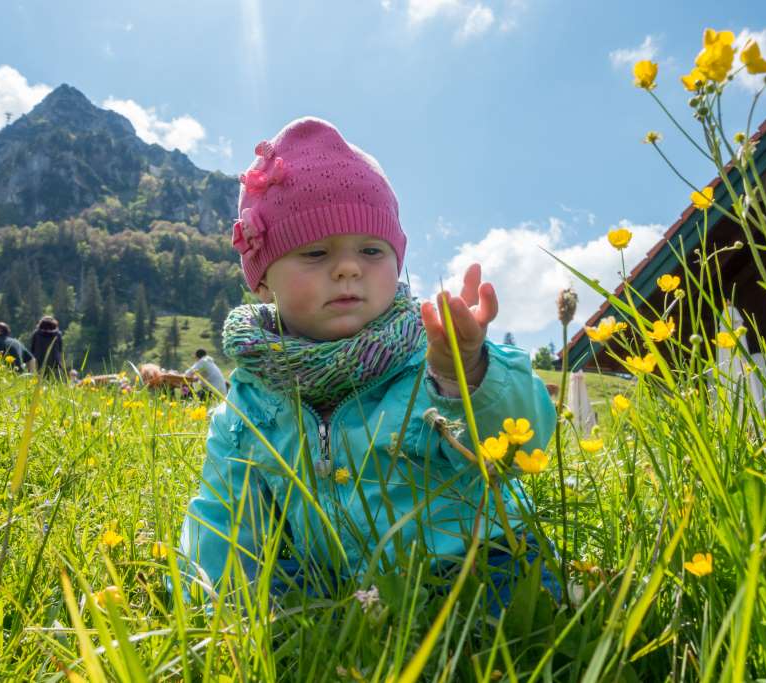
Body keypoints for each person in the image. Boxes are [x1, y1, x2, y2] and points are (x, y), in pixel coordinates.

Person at [178, 118, 556, 609]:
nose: (348, 268)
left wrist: (466, 370)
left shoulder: (429, 351)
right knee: (278, 598)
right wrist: (224, 604)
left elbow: (526, 440)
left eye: (371, 250)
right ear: (263, 282)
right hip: (343, 585)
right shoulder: (252, 398)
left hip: (475, 563)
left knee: (510, 606)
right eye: (315, 252)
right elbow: (224, 516)